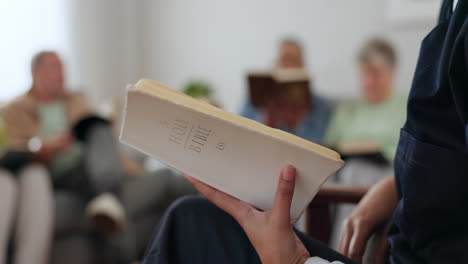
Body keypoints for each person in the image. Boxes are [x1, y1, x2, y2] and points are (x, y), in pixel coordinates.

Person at [143, 0, 468, 263]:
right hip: (389, 215)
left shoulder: (327, 105)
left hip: (374, 198)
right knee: (187, 213)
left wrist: (298, 261)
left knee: (188, 223)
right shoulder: (449, 17)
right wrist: (397, 184)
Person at [0, 51, 127, 263]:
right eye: (54, 67)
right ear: (35, 73)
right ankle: (108, 195)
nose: (61, 73)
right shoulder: (13, 109)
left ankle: (108, 196)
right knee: (37, 175)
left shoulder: (76, 99)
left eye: (62, 67)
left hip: (84, 167)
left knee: (100, 132)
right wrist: (46, 146)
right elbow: (12, 149)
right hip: (49, 169)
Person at [323, 39, 406, 248]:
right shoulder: (348, 110)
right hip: (344, 171)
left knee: (356, 172)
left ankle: (345, 252)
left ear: (391, 73)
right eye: (364, 74)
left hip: (387, 173)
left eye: (375, 73)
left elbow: (409, 153)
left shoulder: (406, 105)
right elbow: (329, 147)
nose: (369, 81)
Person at [241, 39, 331, 143]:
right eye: (284, 59)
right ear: (276, 64)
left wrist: (296, 124)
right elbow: (241, 135)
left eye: (293, 60)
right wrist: (266, 120)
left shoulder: (319, 105)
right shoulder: (253, 99)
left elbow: (320, 145)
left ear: (303, 65)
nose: (288, 66)